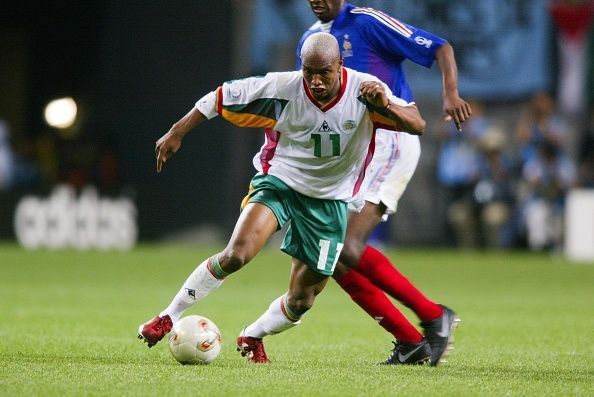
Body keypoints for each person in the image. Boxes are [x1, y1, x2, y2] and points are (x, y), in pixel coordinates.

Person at [138, 32, 426, 363]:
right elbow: (219, 98)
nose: (316, 82)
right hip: (280, 182)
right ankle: (167, 317)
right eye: (309, 72)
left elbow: (417, 124)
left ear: (340, 66)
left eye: (324, 73)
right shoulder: (282, 87)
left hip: (330, 201)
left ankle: (252, 335)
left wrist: (385, 104)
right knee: (237, 253)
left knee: (302, 299)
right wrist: (177, 132)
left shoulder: (366, 89)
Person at [298, 0, 472, 365]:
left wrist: (450, 93)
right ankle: (410, 340)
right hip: (353, 153)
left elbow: (441, 47)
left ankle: (433, 316)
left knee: (344, 247)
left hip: (390, 141)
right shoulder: (313, 41)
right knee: (332, 257)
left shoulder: (366, 22)